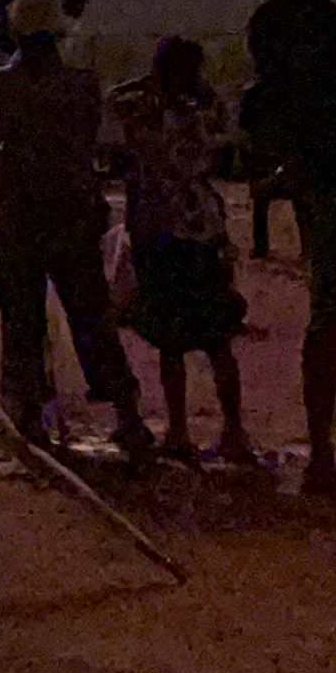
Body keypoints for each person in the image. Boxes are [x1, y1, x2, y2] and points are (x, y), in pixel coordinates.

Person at [0, 0, 154, 458]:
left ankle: (30, 411)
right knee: (90, 313)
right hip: (72, 211)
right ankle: (127, 412)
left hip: (19, 214)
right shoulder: (82, 84)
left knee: (22, 317)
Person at [109, 38, 255, 463]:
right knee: (218, 338)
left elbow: (116, 104)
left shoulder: (150, 114)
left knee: (170, 340)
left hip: (162, 229)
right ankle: (234, 429)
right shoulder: (207, 112)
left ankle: (177, 429)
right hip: (204, 228)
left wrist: (150, 84)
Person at [243, 0, 336, 494]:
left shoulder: (278, 22)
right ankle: (323, 453)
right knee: (329, 316)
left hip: (322, 176)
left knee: (328, 317)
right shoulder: (311, 24)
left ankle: (323, 450)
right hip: (331, 176)